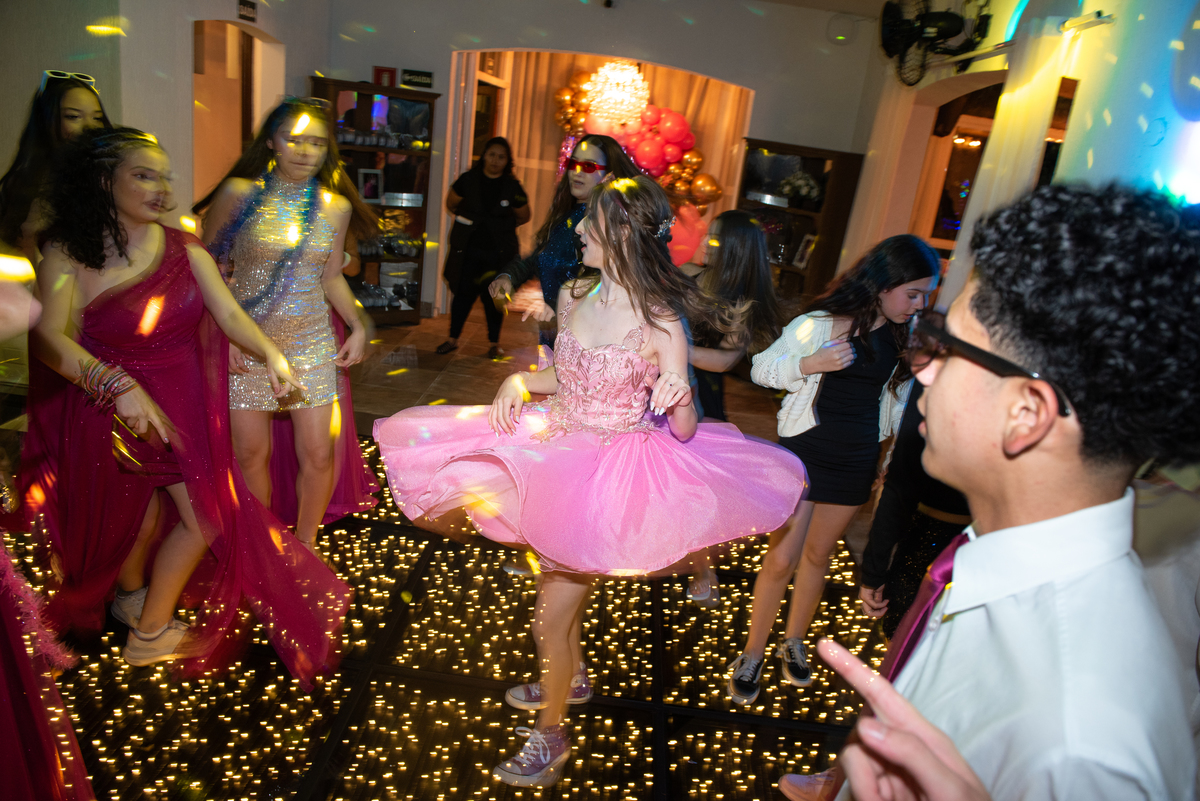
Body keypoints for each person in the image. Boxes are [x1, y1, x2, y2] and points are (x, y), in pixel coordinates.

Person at [374, 176, 806, 787]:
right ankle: (569, 679)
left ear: (623, 231)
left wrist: (678, 396)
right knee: (557, 584)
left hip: (611, 474)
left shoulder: (662, 321)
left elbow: (684, 427)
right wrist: (520, 382)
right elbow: (569, 379)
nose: (576, 230)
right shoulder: (577, 292)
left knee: (547, 613)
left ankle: (550, 734)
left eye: (590, 222)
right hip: (555, 449)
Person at [841, 184, 1199, 799]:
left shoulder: (1079, 744)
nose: (923, 367)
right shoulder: (993, 565)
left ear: (1026, 414)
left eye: (947, 347)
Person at [26, 127, 351, 681]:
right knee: (125, 519)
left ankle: (149, 629)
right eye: (144, 175)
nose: (163, 190)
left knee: (209, 512)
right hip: (109, 409)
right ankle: (131, 602)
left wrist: (272, 354)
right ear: (104, 181)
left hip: (182, 405)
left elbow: (228, 315)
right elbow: (49, 339)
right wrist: (116, 386)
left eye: (165, 176)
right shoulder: (65, 251)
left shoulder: (182, 246)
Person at [728, 235, 939, 705]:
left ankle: (795, 641)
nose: (919, 303)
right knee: (781, 559)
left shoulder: (906, 335)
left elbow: (900, 404)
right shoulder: (819, 325)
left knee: (820, 558)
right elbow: (762, 369)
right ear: (884, 285)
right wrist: (810, 362)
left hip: (856, 457)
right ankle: (753, 652)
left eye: (926, 295)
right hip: (804, 451)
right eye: (913, 293)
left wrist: (887, 459)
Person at [195, 98, 379, 550]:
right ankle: (264, 545)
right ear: (272, 142)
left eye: (316, 142)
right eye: (294, 138)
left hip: (312, 342)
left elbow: (331, 276)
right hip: (248, 344)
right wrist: (225, 335)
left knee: (319, 453)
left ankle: (307, 544)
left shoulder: (335, 207)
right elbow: (209, 267)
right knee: (251, 454)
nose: (304, 150)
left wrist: (357, 325)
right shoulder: (238, 194)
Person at [679, 209, 788, 607]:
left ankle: (703, 567)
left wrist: (674, 350)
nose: (706, 241)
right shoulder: (685, 275)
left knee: (694, 490)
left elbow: (725, 361)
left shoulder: (741, 302)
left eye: (716, 238)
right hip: (652, 388)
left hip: (702, 402)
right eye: (709, 235)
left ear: (736, 250)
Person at [488, 134, 639, 352]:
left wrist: (565, 315)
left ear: (609, 175)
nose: (576, 172)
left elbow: (609, 285)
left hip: (585, 344)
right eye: (573, 163)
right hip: (555, 338)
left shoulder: (605, 227)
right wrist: (509, 277)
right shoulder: (567, 216)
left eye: (588, 166)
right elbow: (541, 257)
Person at [857, 381, 971, 637]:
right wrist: (874, 572)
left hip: (934, 540)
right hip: (936, 538)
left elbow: (901, 482)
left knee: (909, 650)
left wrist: (874, 573)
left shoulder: (939, 377)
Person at [0, 71, 112, 261]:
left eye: (97, 118)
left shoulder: (110, 177)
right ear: (47, 121)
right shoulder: (24, 184)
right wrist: (29, 233)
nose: (89, 127)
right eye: (73, 117)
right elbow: (16, 274)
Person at [436, 136, 530, 358]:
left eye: (501, 157)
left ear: (507, 161)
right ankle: (452, 339)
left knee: (495, 299)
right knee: (462, 295)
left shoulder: (512, 186)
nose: (495, 161)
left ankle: (494, 343)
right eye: (492, 155)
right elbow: (451, 203)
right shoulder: (468, 179)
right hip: (468, 251)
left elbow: (524, 215)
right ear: (484, 156)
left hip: (498, 254)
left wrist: (501, 227)